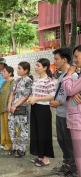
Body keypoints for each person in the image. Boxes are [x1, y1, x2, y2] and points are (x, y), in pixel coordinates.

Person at [50, 47, 78, 176]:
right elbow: (61, 94)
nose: (54, 61)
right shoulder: (62, 75)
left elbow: (75, 98)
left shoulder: (73, 75)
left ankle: (73, 167)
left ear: (64, 59)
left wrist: (59, 102)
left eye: (56, 59)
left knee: (70, 143)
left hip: (69, 115)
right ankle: (67, 164)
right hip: (60, 114)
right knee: (62, 141)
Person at [27, 58, 56, 167]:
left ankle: (46, 159)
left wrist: (37, 99)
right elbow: (34, 94)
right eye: (36, 65)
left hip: (43, 110)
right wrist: (31, 98)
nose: (36, 67)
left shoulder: (49, 81)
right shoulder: (36, 80)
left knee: (44, 133)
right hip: (35, 108)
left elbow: (52, 96)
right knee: (36, 132)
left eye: (38, 65)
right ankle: (40, 156)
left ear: (45, 67)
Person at [62, 45, 81, 176]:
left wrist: (68, 75)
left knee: (79, 153)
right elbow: (72, 91)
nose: (75, 60)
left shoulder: (73, 74)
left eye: (77, 56)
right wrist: (72, 92)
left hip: (78, 119)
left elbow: (69, 90)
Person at [8, 62, 33, 157]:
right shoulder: (17, 80)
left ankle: (22, 148)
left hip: (22, 108)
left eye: (20, 69)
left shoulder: (28, 81)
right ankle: (15, 147)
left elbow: (25, 96)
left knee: (23, 129)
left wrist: (15, 105)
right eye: (17, 68)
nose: (17, 70)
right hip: (13, 108)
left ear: (26, 70)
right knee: (11, 127)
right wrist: (9, 104)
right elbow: (12, 93)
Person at [0, 66, 14, 151]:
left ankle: (9, 145)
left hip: (8, 107)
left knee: (9, 126)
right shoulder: (4, 83)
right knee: (3, 126)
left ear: (10, 73)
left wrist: (10, 105)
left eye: (4, 71)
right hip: (2, 106)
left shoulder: (13, 82)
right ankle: (3, 142)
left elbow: (12, 94)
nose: (3, 73)